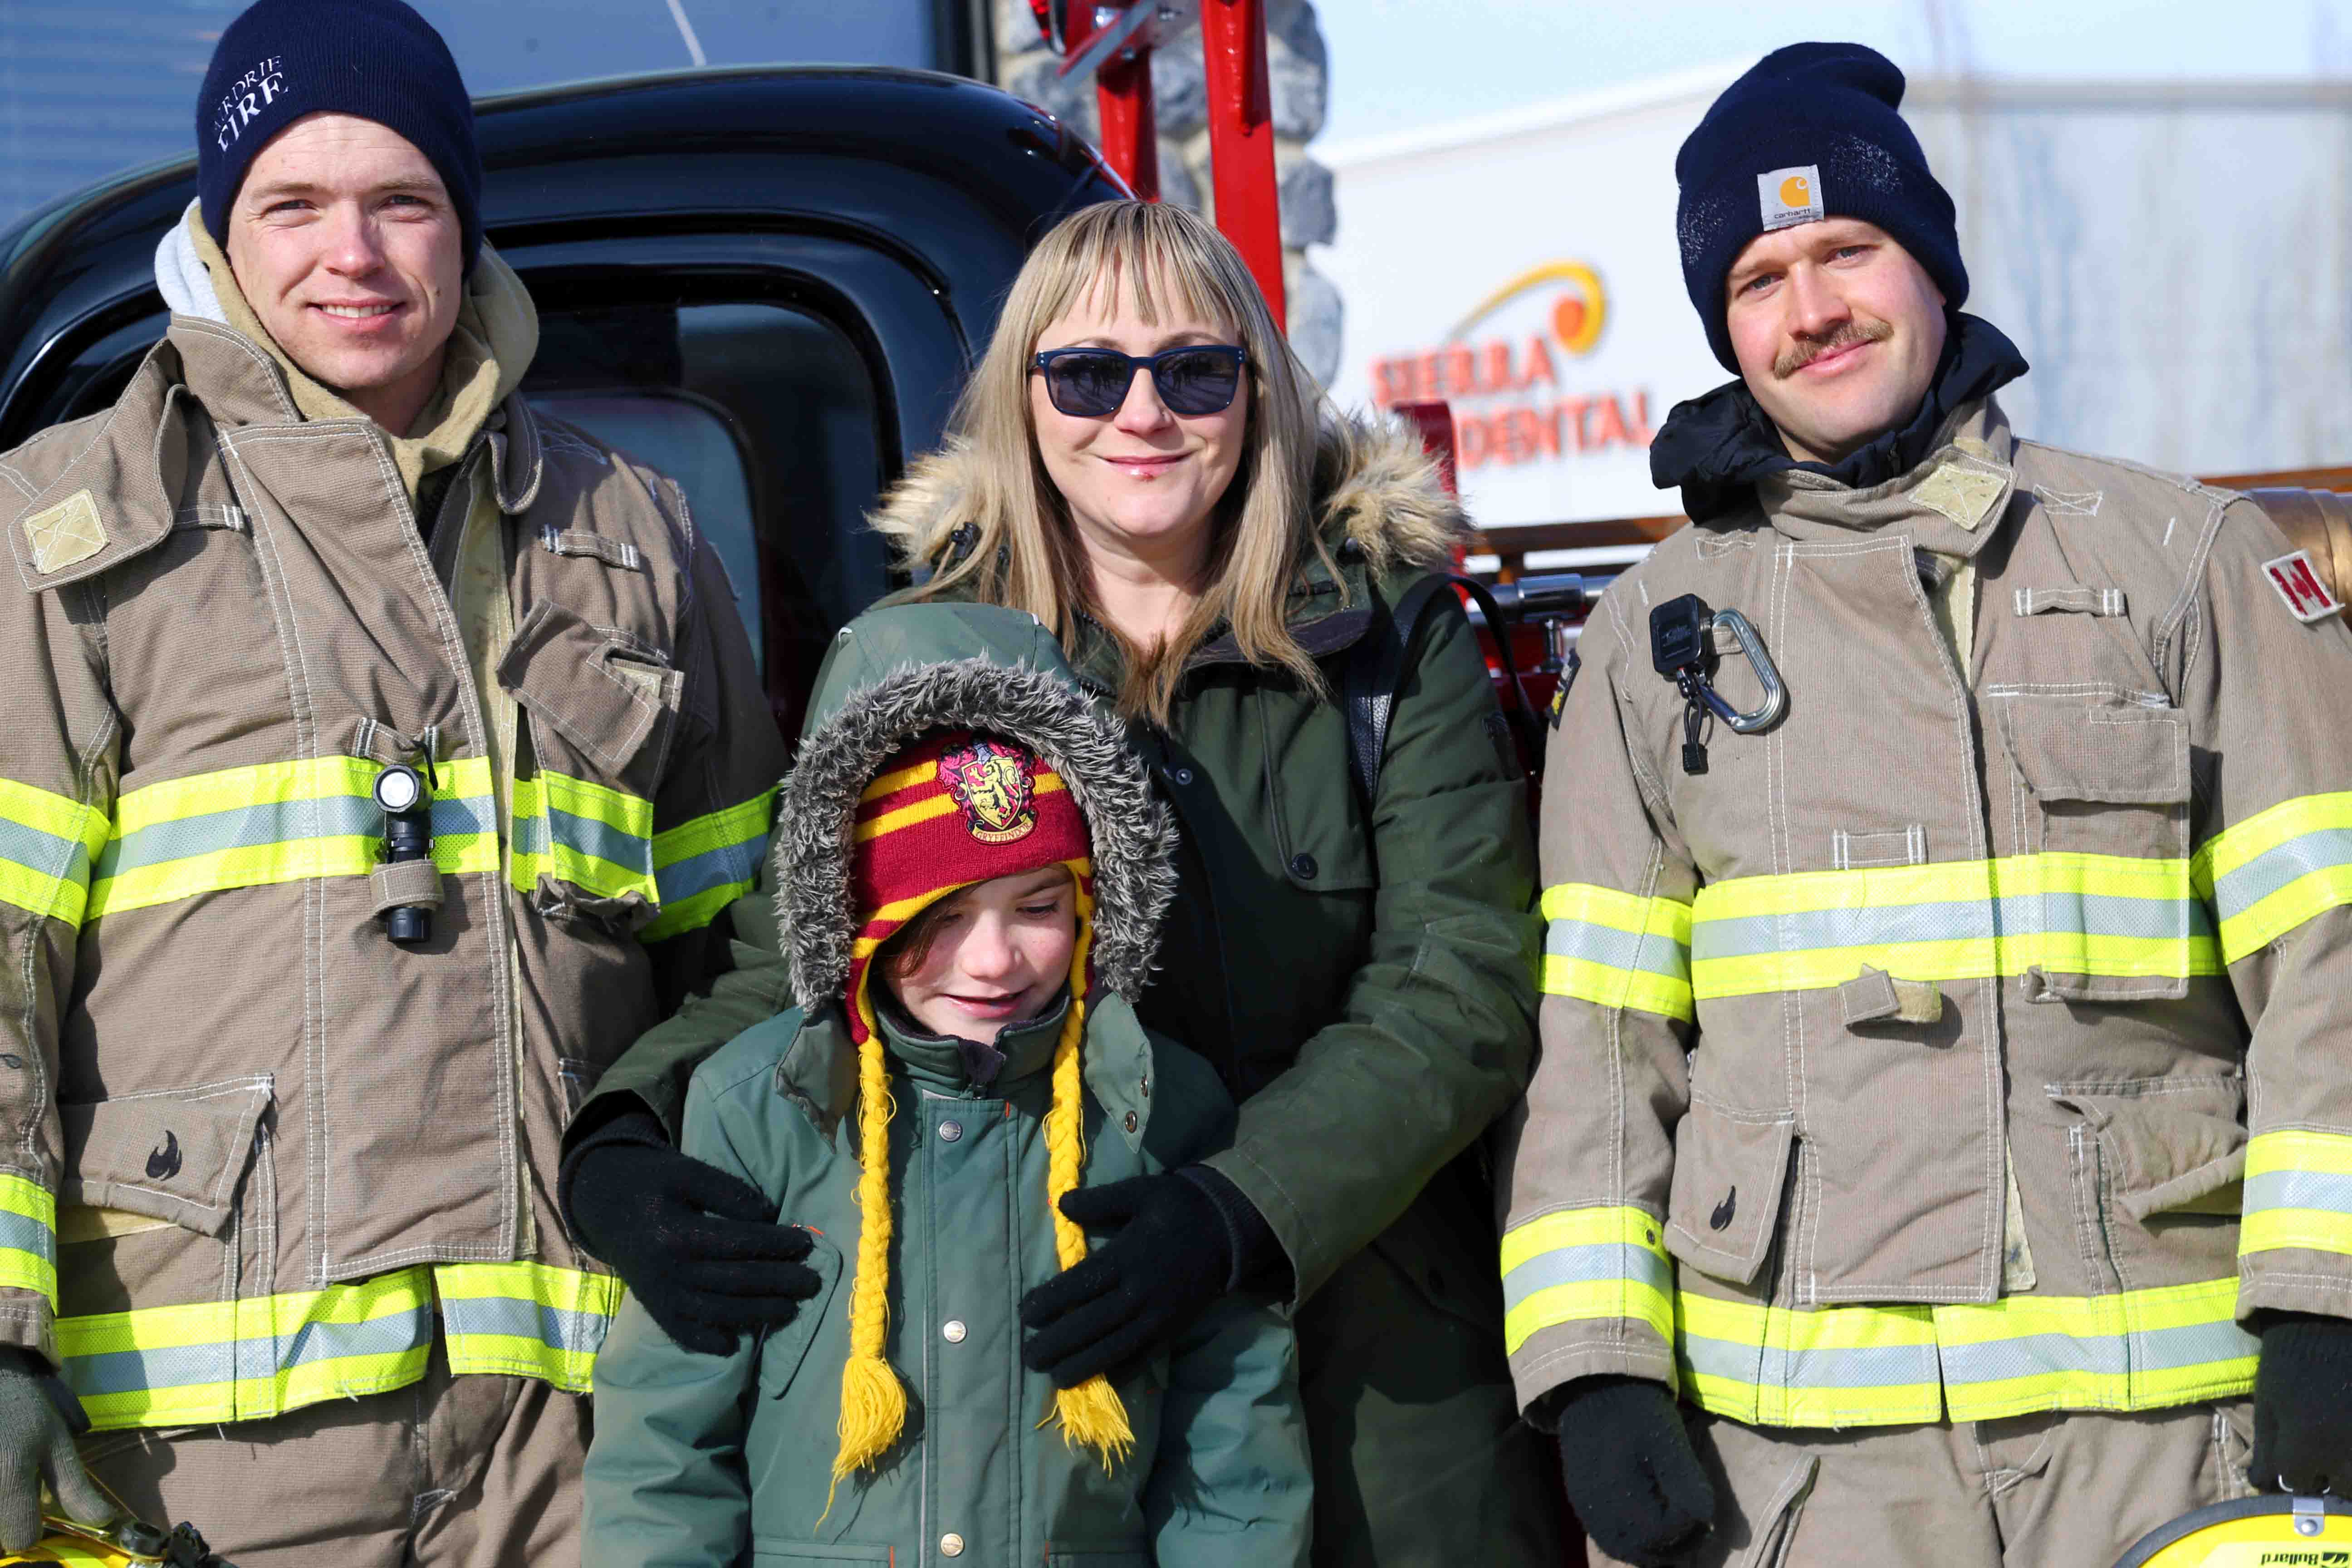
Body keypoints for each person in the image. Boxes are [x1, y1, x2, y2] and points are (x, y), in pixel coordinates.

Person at [562, 199, 1564, 1563]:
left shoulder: (1383, 638)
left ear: (1255, 392)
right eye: (1090, 372)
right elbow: (798, 951)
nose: (1142, 413)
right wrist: (626, 1131)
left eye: (1194, 370)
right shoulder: (932, 659)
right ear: (1023, 397)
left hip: (1372, 1363)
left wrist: (1237, 1210)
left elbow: (1460, 986)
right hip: (1052, 1409)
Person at [1501, 40, 2352, 1568]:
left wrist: (2326, 1306)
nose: (1810, 304)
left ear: (1934, 268)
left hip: (2164, 1433)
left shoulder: (2186, 565)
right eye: (1758, 277)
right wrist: (1595, 1368)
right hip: (1803, 1473)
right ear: (1723, 328)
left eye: (1848, 249)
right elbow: (1601, 1040)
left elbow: (2329, 967)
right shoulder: (1651, 633)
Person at [0, 0, 784, 1560]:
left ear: (464, 225)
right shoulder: (60, 534)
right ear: (222, 233)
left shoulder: (631, 534)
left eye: (400, 200)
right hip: (207, 1455)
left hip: (577, 1439)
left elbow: (759, 951)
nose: (350, 253)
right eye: (293, 203)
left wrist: (643, 1147)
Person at [582, 642, 1312, 1566]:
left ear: (1095, 903)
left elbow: (1236, 1457)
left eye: (1039, 907)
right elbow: (664, 1459)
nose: (994, 961)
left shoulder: (1162, 1109)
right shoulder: (758, 1111)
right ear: (856, 916)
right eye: (940, 918)